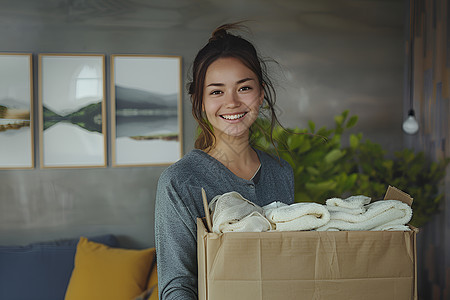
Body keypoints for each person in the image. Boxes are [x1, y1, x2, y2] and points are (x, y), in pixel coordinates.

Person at [155, 23, 295, 300]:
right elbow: (176, 287)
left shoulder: (281, 172)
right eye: (217, 92)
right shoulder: (181, 181)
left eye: (244, 88)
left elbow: (288, 262)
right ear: (200, 101)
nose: (232, 102)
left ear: (261, 94)